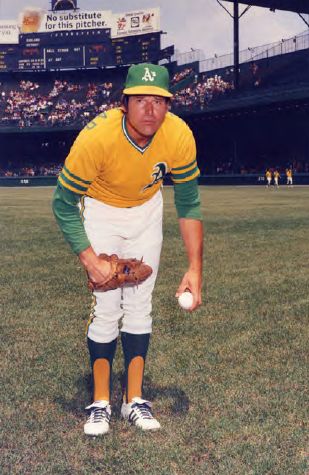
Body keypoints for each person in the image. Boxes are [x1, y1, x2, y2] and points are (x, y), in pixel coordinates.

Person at [52, 63, 203, 436]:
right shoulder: (97, 137)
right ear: (124, 103)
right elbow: (62, 202)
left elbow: (188, 202)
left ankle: (133, 400)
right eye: (141, 100)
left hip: (148, 212)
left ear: (168, 106)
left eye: (159, 101)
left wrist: (194, 268)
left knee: (140, 304)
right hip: (102, 211)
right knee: (105, 306)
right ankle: (100, 402)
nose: (150, 109)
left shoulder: (179, 135)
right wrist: (90, 260)